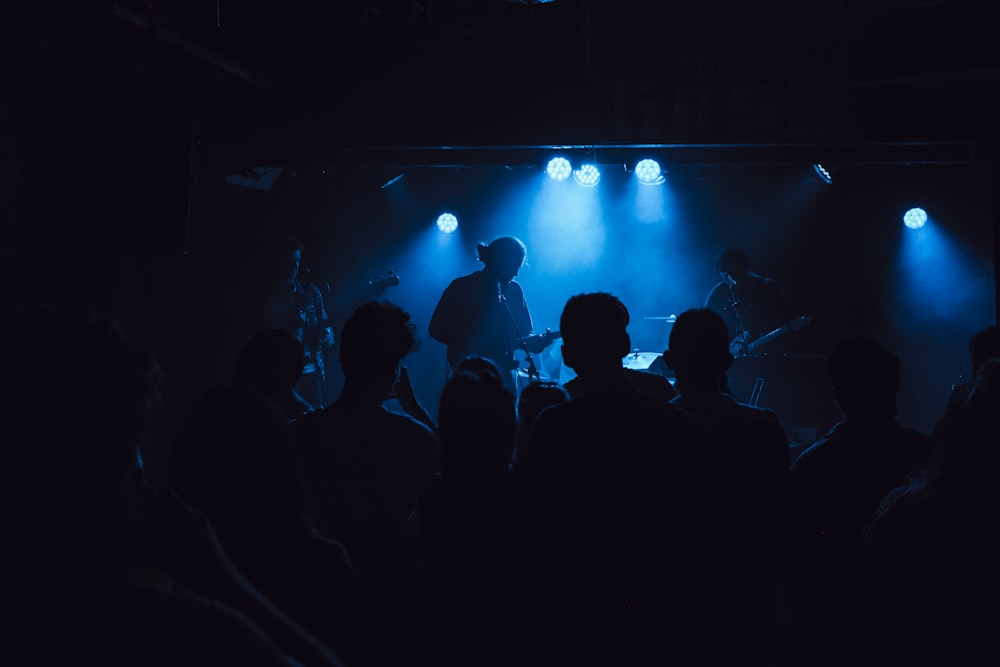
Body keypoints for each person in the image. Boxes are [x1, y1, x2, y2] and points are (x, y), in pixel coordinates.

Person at [429, 235, 557, 394]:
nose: (517, 272)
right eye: (514, 265)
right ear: (499, 260)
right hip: (468, 376)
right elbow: (435, 328)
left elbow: (525, 332)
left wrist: (534, 343)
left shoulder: (515, 291)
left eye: (520, 266)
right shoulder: (462, 287)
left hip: (504, 375)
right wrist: (470, 340)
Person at [263, 237, 334, 409]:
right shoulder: (266, 296)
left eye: (297, 261)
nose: (294, 266)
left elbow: (329, 334)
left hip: (312, 373)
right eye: (289, 261)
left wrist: (325, 335)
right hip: (282, 377)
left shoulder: (312, 292)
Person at [705, 247, 791, 356]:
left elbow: (785, 324)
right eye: (724, 272)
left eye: (733, 271)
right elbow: (705, 324)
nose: (729, 276)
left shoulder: (769, 288)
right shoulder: (718, 293)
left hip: (770, 356)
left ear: (743, 267)